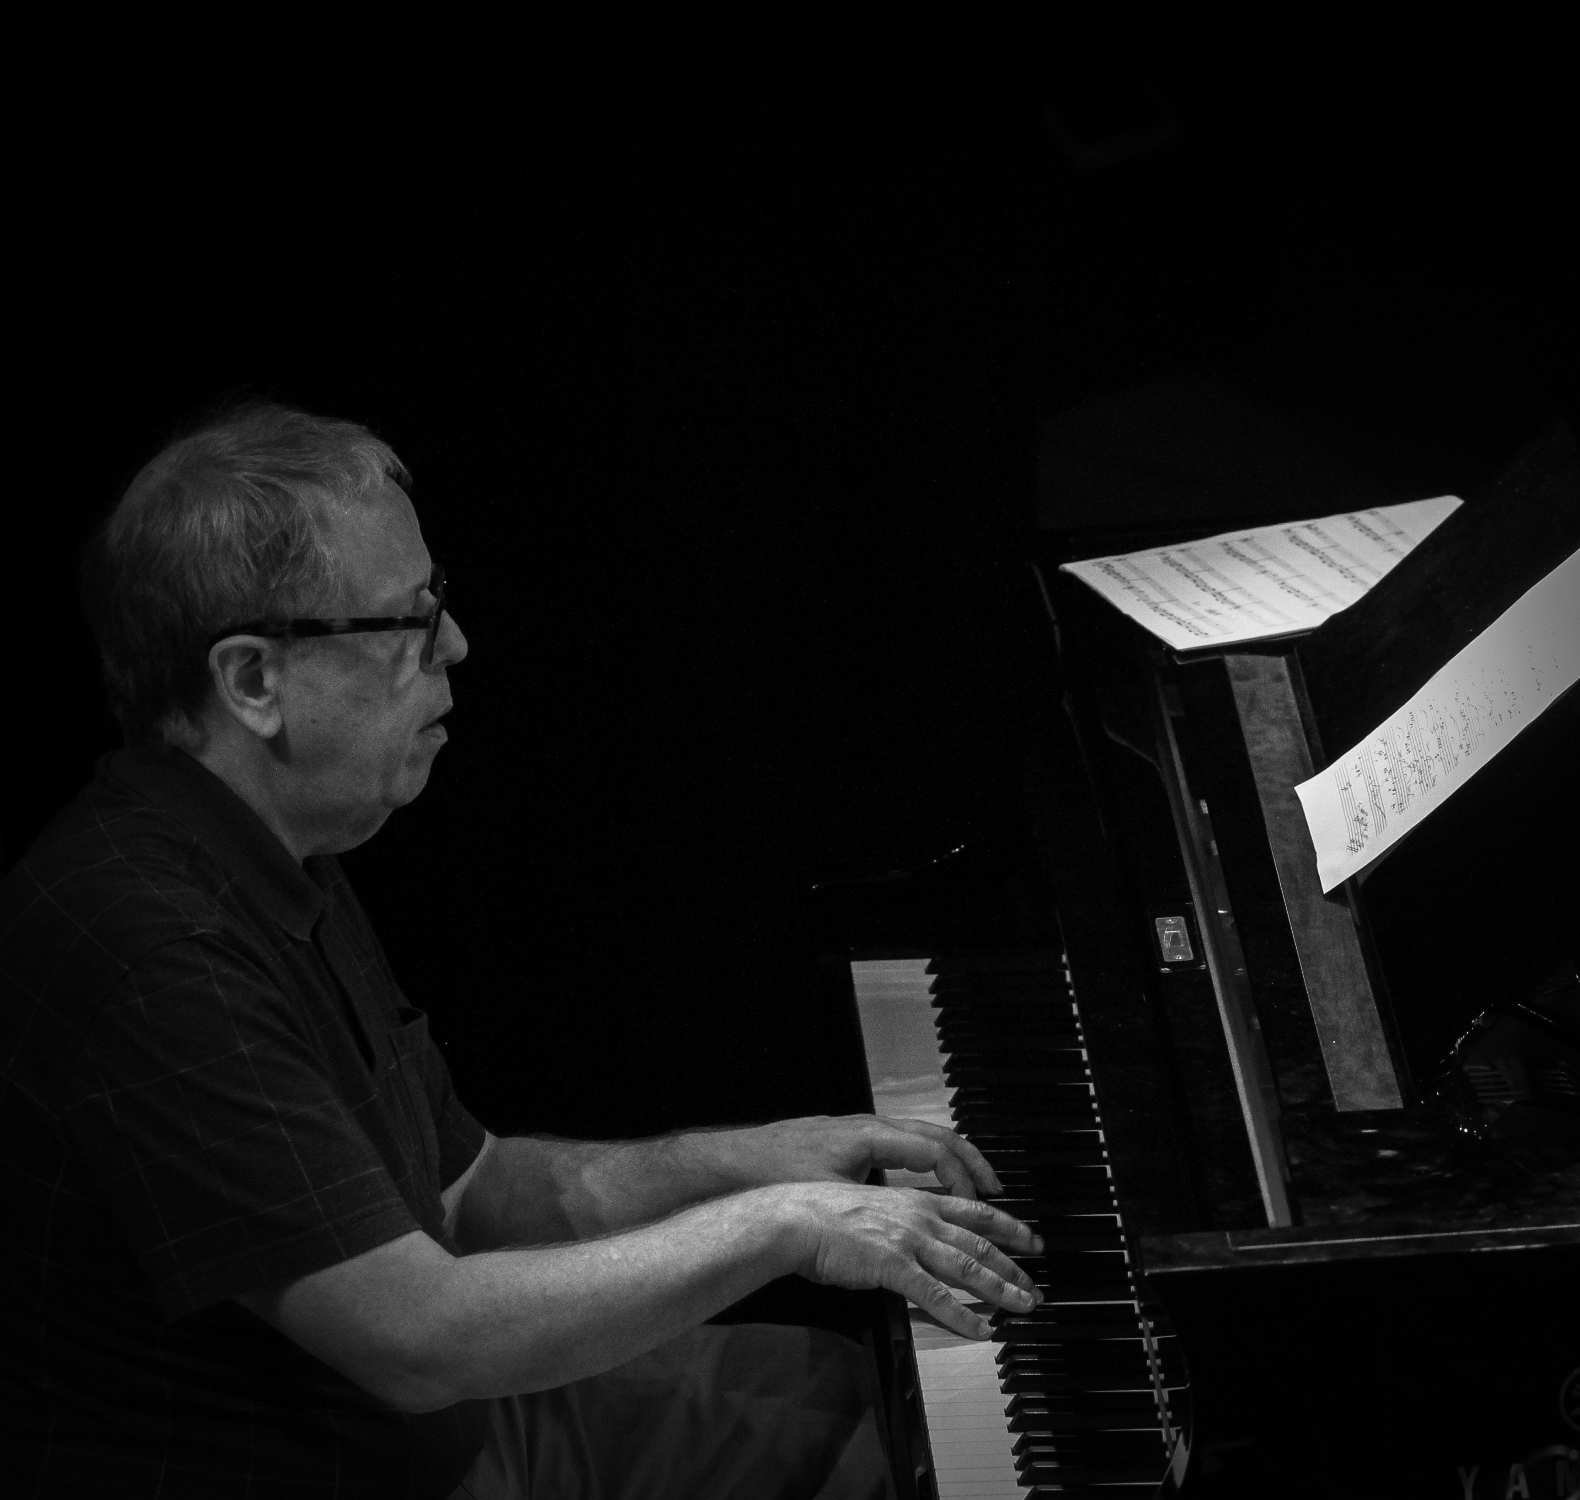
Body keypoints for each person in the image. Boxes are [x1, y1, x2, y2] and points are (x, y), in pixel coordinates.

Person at [0, 403, 1042, 1498]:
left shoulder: (271, 845)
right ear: (254, 681)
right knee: (867, 1452)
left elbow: (470, 1190)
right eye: (408, 617)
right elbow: (414, 1338)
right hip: (339, 1463)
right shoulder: (151, 949)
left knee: (849, 1401)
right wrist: (778, 1226)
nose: (453, 643)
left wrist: (751, 1159)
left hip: (424, 1434)